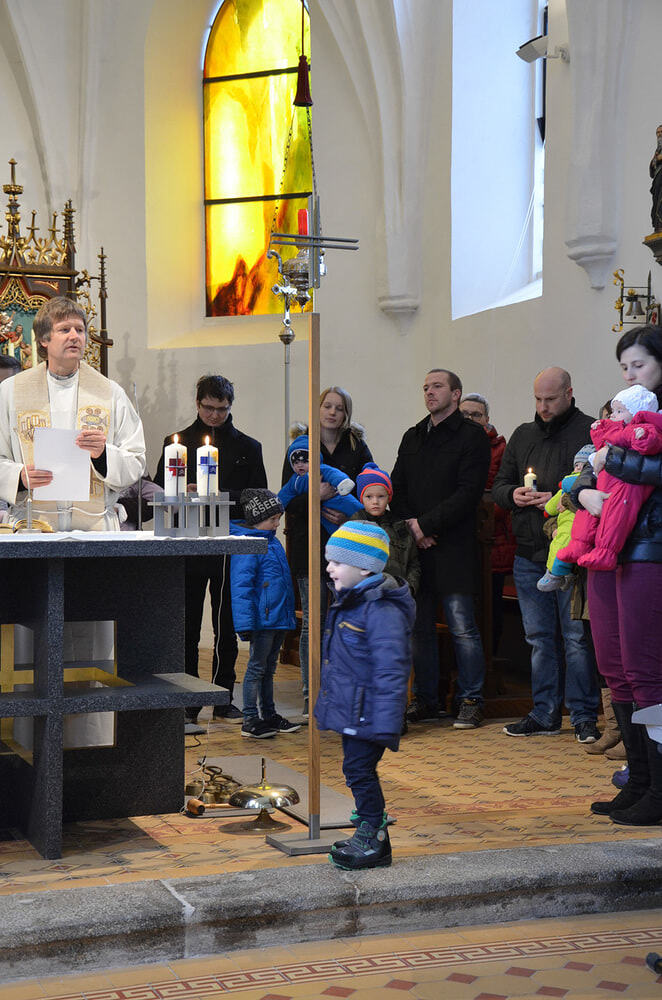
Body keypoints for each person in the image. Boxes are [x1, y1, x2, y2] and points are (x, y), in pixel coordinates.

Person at [570, 324, 662, 825]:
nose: (629, 375)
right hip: (607, 549)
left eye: (639, 365)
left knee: (646, 670)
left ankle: (660, 789)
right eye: (624, 366)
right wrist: (580, 491)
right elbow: (587, 468)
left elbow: (646, 467)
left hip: (650, 549)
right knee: (615, 666)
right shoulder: (622, 413)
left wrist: (615, 458)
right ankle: (640, 780)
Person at [491, 366, 600, 742]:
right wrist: (514, 494)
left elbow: (597, 484)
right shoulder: (523, 434)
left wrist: (557, 497)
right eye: (537, 399)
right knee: (538, 638)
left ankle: (584, 715)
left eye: (550, 399)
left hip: (571, 554)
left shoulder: (589, 431)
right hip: (528, 552)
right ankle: (544, 713)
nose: (543, 406)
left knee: (576, 638)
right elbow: (500, 485)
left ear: (569, 393)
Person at [155, 375, 267, 727]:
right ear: (197, 403)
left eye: (222, 409)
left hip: (226, 544)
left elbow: (257, 497)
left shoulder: (248, 446)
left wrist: (217, 495)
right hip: (186, 542)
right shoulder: (176, 443)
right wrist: (182, 492)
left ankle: (222, 696)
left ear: (230, 406)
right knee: (187, 625)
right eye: (209, 408)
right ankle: (189, 699)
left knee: (225, 625)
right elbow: (157, 489)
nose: (215, 415)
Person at [391, 369, 490, 730]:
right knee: (419, 629)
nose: (429, 392)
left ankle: (471, 699)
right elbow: (397, 487)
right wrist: (412, 528)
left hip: (454, 546)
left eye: (437, 386)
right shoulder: (413, 435)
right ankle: (426, 699)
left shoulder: (472, 436)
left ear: (456, 394)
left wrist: (425, 526)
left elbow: (467, 492)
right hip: (417, 549)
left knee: (462, 627)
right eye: (425, 387)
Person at [314, 521, 415, 870]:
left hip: (370, 715)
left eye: (337, 562)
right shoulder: (353, 601)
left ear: (365, 568)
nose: (329, 569)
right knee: (355, 769)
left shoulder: (382, 609)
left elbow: (392, 670)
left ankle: (374, 836)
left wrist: (386, 723)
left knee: (359, 770)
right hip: (355, 711)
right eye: (329, 561)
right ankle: (367, 828)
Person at [0, 296, 145, 530]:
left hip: (95, 525)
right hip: (32, 524)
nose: (74, 336)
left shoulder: (110, 393)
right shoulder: (10, 392)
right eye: (64, 329)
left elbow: (136, 459)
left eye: (80, 329)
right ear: (44, 339)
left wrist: (103, 455)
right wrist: (18, 477)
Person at [281, 388, 372, 717]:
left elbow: (370, 490)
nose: (332, 412)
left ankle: (345, 695)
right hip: (309, 544)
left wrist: (350, 516)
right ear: (317, 409)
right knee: (313, 623)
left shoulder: (356, 446)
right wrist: (315, 499)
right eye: (327, 406)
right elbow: (287, 498)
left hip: (348, 546)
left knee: (348, 622)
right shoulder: (301, 446)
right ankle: (313, 695)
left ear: (347, 414)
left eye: (339, 408)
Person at [559, 386, 661, 571]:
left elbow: (650, 444)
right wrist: (598, 430)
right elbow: (600, 446)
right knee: (585, 513)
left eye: (619, 411)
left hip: (626, 485)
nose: (613, 415)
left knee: (616, 515)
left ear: (637, 413)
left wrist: (643, 436)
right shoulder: (616, 429)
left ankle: (605, 552)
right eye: (613, 411)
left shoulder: (642, 428)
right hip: (605, 480)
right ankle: (578, 545)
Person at [229, 489, 299, 739]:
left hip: (277, 617)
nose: (277, 524)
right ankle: (250, 718)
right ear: (257, 520)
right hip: (263, 619)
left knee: (269, 669)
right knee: (256, 669)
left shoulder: (272, 541)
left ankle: (268, 714)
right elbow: (241, 588)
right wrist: (245, 624)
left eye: (278, 518)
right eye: (273, 519)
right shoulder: (248, 544)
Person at [460, 392, 516, 656]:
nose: (470, 419)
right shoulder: (449, 446)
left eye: (476, 414)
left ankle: (488, 664)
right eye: (464, 414)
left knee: (490, 610)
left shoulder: (501, 450)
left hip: (492, 542)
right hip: (458, 542)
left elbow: (504, 494)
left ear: (487, 419)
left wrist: (473, 515)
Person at [349, 463, 420, 596]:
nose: (375, 501)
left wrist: (409, 588)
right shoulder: (352, 527)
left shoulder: (400, 526)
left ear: (389, 497)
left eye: (381, 496)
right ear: (361, 498)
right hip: (364, 597)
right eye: (369, 496)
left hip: (397, 596)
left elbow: (413, 562)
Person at [536, 444, 596, 592]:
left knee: (562, 544)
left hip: (576, 525)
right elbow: (553, 504)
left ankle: (554, 574)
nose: (579, 468)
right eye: (576, 465)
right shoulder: (569, 484)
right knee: (559, 544)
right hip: (563, 524)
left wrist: (564, 499)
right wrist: (549, 510)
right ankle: (566, 574)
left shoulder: (586, 482)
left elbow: (566, 488)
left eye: (583, 466)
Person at [278, 433, 363, 535]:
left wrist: (342, 482)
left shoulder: (320, 469)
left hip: (339, 498)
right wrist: (276, 508)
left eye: (305, 461)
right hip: (322, 514)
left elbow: (333, 474)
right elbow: (285, 495)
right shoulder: (294, 481)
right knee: (334, 531)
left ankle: (366, 526)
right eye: (296, 463)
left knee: (356, 510)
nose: (300, 465)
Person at [649, 123, 662, 233]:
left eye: (661, 132)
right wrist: (654, 161)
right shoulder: (657, 151)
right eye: (657, 133)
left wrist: (658, 159)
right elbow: (652, 169)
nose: (659, 134)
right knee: (656, 204)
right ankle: (658, 226)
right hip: (657, 182)